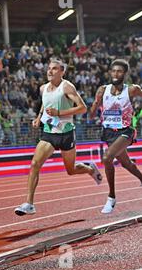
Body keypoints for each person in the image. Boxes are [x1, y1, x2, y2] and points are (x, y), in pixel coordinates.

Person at [15, 59, 102, 216]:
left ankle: (90, 169)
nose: (50, 71)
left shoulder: (67, 87)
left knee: (71, 170)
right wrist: (38, 117)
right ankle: (29, 204)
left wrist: (59, 113)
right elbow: (45, 103)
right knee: (35, 164)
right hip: (49, 133)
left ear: (62, 72)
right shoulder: (43, 88)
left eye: (54, 69)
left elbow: (83, 108)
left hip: (66, 133)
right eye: (49, 68)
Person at [89, 59, 142, 214]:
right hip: (109, 132)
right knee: (126, 163)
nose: (115, 74)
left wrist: (138, 112)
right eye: (113, 71)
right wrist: (94, 106)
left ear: (124, 74)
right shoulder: (102, 90)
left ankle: (111, 197)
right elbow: (91, 114)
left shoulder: (132, 89)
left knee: (107, 158)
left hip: (126, 131)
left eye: (119, 71)